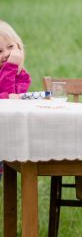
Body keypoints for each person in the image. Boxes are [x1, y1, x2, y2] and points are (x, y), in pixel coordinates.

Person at [0, 19, 31, 178]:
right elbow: (6, 97)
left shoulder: (23, 76)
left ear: (19, 47)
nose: (6, 54)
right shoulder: (12, 69)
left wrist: (11, 69)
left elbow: (10, 101)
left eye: (10, 47)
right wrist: (10, 67)